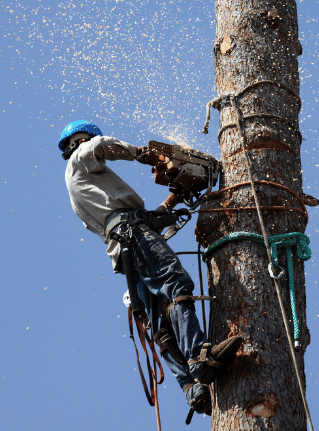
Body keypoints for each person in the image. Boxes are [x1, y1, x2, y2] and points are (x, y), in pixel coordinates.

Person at [59, 120, 242, 417]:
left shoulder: (84, 190)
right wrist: (145, 154)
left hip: (125, 249)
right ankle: (198, 357)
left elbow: (133, 217)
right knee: (176, 285)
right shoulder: (80, 161)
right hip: (134, 235)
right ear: (79, 142)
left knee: (159, 320)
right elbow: (101, 146)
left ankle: (192, 389)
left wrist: (173, 201)